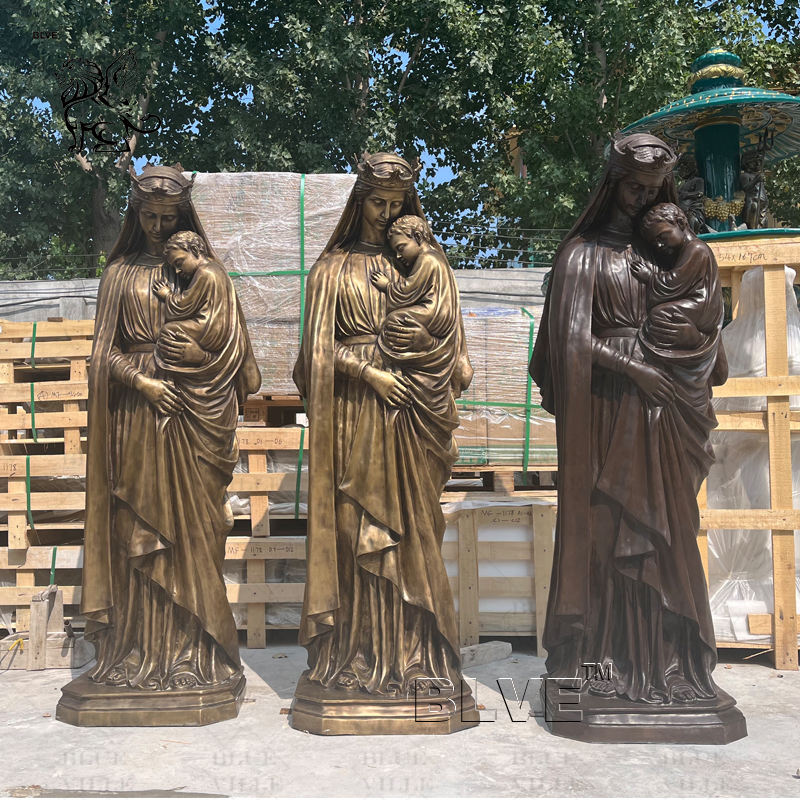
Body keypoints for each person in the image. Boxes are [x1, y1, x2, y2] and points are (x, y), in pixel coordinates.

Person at [530, 134, 728, 705]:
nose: (643, 200)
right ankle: (602, 665)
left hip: (665, 413)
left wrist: (692, 337)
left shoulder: (670, 254)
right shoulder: (582, 255)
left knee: (668, 533)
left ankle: (670, 665)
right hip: (606, 409)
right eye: (634, 188)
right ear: (613, 185)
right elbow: (569, 342)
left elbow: (708, 328)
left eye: (653, 190)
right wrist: (633, 368)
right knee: (607, 530)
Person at [292, 152, 472, 699]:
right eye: (376, 202)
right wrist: (368, 372)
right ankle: (355, 654)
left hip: (414, 413)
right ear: (358, 201)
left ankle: (416, 656)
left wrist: (429, 345)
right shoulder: (331, 269)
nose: (386, 214)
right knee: (355, 529)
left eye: (396, 204)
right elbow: (314, 357)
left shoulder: (425, 265)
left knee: (415, 530)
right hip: (354, 415)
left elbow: (458, 357)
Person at [81, 163, 260, 692]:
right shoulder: (119, 275)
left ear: (183, 218)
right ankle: (137, 653)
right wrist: (143, 383)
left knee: (196, 529)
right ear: (135, 215)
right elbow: (102, 355)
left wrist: (203, 355)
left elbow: (238, 354)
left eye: (168, 218)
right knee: (138, 528)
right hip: (139, 417)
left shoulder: (206, 274)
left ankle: (197, 653)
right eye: (150, 217)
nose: (158, 228)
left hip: (195, 414)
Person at [632, 201, 722, 362]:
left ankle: (670, 355)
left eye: (662, 236)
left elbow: (673, 284)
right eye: (654, 242)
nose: (659, 244)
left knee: (660, 314)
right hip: (696, 303)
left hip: (702, 305)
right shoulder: (685, 250)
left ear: (680, 223)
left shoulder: (696, 249)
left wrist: (649, 276)